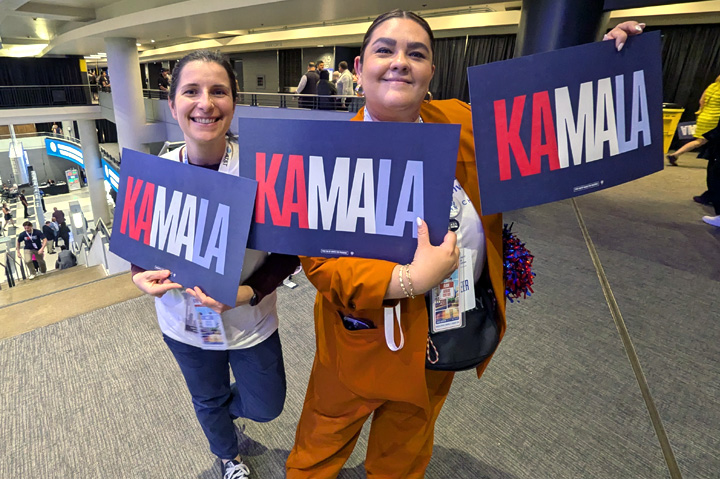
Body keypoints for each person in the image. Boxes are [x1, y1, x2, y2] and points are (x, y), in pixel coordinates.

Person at [285, 10, 645, 479]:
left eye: (417, 53)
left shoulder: (460, 120)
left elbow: (552, 132)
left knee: (406, 452)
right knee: (321, 445)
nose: (401, 62)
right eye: (385, 50)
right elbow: (320, 264)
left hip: (444, 334)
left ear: (431, 71)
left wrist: (607, 69)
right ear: (359, 67)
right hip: (360, 343)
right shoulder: (325, 152)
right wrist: (411, 278)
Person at [129, 50, 299, 479]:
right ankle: (228, 456)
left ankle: (224, 415)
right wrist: (139, 278)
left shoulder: (264, 171)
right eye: (191, 91)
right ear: (172, 105)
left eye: (218, 91)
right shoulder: (153, 175)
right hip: (183, 323)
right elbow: (140, 251)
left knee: (266, 404)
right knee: (206, 399)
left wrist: (249, 291)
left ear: (233, 101)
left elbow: (288, 252)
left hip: (250, 319)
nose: (205, 103)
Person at [667, 74, 720, 166]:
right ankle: (675, 155)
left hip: (704, 116)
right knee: (702, 141)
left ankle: (675, 155)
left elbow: (701, 101)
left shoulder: (711, 87)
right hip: (715, 119)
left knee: (700, 140)